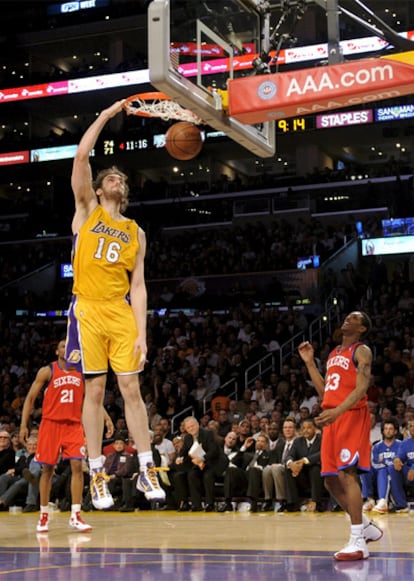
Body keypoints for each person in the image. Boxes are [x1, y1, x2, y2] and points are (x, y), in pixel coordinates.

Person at [65, 99, 165, 510]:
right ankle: (97, 472)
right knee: (95, 389)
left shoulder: (136, 232)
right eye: (112, 177)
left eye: (123, 179)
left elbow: (138, 286)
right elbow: (82, 155)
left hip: (121, 310)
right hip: (87, 307)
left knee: (131, 387)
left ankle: (145, 466)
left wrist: (142, 332)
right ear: (101, 186)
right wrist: (107, 116)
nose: (118, 180)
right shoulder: (86, 209)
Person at [298, 311, 382, 561]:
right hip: (332, 416)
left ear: (362, 328)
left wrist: (338, 411)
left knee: (347, 474)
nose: (347, 318)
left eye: (354, 318)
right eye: (347, 316)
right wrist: (310, 363)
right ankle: (366, 526)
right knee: (330, 481)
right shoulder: (335, 353)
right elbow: (325, 391)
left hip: (351, 414)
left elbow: (362, 387)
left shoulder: (362, 350)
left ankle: (358, 541)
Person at [19, 340, 97, 533]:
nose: (67, 349)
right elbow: (30, 398)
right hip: (51, 424)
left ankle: (76, 515)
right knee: (47, 470)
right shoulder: (47, 371)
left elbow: (92, 399)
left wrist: (107, 418)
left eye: (70, 346)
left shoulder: (81, 372)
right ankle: (44, 515)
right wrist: (23, 425)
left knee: (78, 466)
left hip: (73, 425)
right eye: (63, 346)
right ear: (56, 351)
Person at [173, 416, 228, 512]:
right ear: (186, 429)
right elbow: (183, 451)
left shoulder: (208, 433)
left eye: (192, 426)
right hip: (199, 464)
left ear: (197, 424)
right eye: (188, 427)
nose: (191, 429)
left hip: (213, 462)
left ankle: (210, 504)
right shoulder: (188, 438)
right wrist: (179, 458)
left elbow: (213, 451)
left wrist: (202, 459)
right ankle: (196, 505)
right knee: (191, 475)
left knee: (208, 476)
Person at [284, 418, 325, 512]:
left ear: (315, 428)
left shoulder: (322, 439)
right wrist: (291, 463)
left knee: (315, 468)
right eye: (304, 428)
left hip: (319, 475)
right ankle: (292, 503)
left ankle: (316, 501)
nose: (306, 430)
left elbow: (322, 454)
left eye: (309, 428)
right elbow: (290, 455)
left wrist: (304, 461)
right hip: (302, 476)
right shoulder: (297, 441)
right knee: (288, 469)